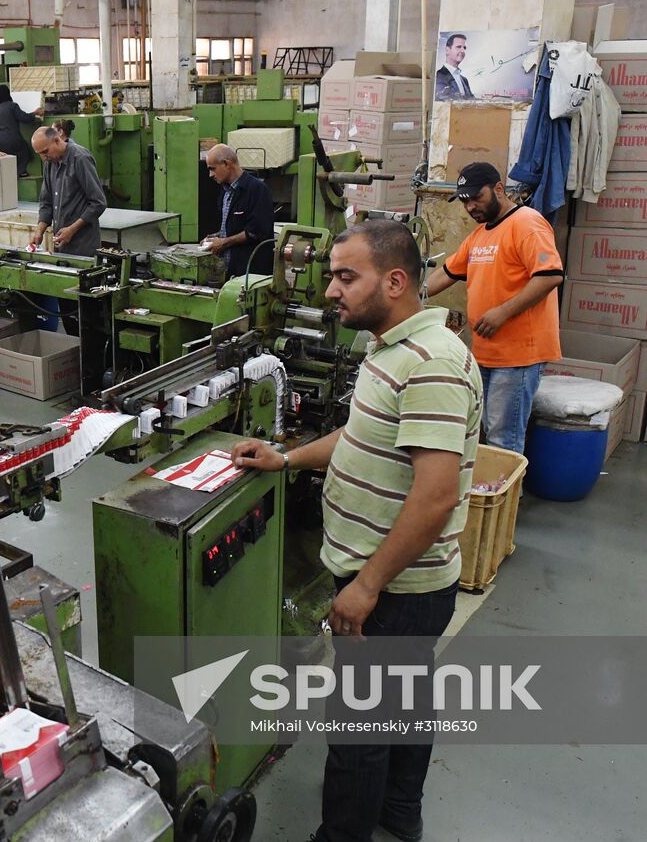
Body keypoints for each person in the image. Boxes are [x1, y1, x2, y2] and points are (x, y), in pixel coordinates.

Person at [231, 219, 481, 842]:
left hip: (399, 590)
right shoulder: (390, 347)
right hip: (395, 585)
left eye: (346, 277)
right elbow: (362, 436)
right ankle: (400, 812)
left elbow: (435, 498)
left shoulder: (432, 364)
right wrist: (287, 458)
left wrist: (367, 586)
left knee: (358, 733)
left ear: (395, 281)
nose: (330, 292)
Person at [424, 162, 564, 454]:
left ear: (499, 189)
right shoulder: (480, 236)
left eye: (477, 197)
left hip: (518, 354)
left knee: (504, 439)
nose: (471, 206)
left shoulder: (526, 223)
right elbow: (447, 272)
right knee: (487, 430)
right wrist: (411, 298)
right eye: (465, 201)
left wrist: (503, 311)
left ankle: (507, 498)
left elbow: (550, 275)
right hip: (487, 352)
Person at [200, 143, 276, 278]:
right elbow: (234, 227)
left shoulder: (257, 190)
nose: (210, 175)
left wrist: (223, 243)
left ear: (227, 164)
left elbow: (256, 232)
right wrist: (216, 237)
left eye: (213, 169)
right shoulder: (225, 192)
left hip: (250, 273)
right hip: (230, 270)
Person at [30, 125, 105, 258]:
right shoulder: (49, 164)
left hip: (83, 247)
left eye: (45, 151)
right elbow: (46, 203)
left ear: (57, 140)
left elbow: (98, 203)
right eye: (39, 154)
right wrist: (39, 231)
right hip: (61, 246)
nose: (43, 157)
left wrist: (71, 230)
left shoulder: (80, 158)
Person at [0, 85, 43, 175]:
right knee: (24, 149)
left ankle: (6, 173)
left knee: (4, 155)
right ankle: (21, 171)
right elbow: (25, 118)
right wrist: (35, 112)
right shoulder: (12, 106)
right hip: (11, 140)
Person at [435, 33, 474, 100]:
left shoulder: (464, 80)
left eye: (464, 48)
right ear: (447, 50)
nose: (463, 50)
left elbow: (472, 100)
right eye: (458, 47)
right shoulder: (438, 76)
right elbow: (444, 102)